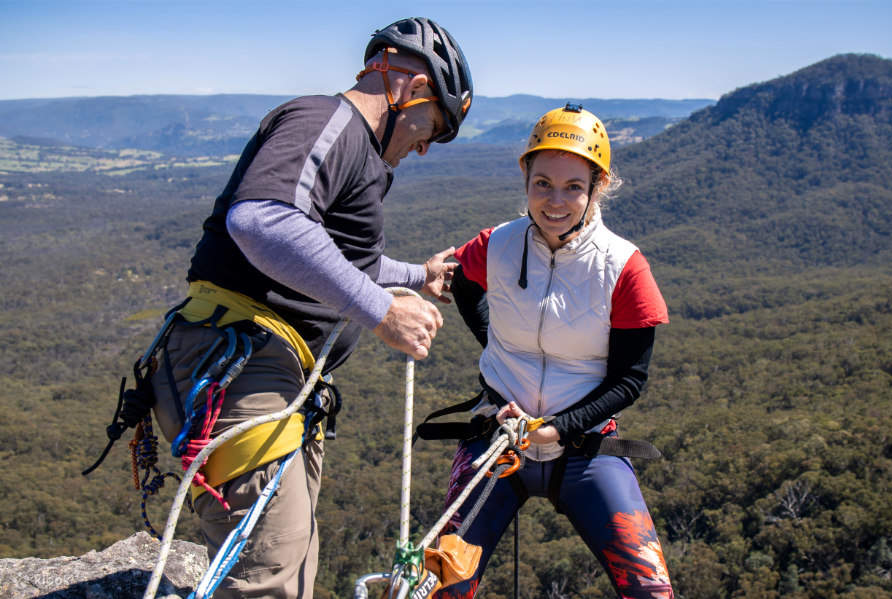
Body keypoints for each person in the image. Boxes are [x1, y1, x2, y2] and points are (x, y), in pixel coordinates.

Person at [144, 17, 472, 599]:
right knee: (268, 578)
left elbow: (340, 260)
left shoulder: (355, 148)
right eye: (433, 127)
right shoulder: (328, 120)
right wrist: (382, 312)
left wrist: (417, 277)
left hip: (263, 367)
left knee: (289, 568)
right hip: (243, 363)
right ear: (413, 87)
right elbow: (263, 220)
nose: (424, 145)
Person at [434, 104, 675, 598]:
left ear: (597, 188)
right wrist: (495, 344)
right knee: (438, 585)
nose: (555, 201)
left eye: (573, 187)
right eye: (543, 183)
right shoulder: (495, 246)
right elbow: (463, 282)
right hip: (499, 434)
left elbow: (630, 379)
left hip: (585, 445)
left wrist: (559, 428)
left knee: (650, 590)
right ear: (526, 178)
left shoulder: (624, 268)